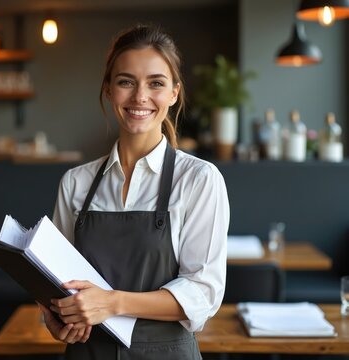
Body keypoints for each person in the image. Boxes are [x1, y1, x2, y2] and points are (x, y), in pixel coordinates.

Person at [39, 24, 229, 359]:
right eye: (126, 81)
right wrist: (54, 318)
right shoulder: (75, 182)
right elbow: (56, 279)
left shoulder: (199, 179)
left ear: (174, 93)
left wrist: (112, 303)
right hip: (88, 353)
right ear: (109, 91)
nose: (140, 97)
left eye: (156, 83)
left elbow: (203, 293)